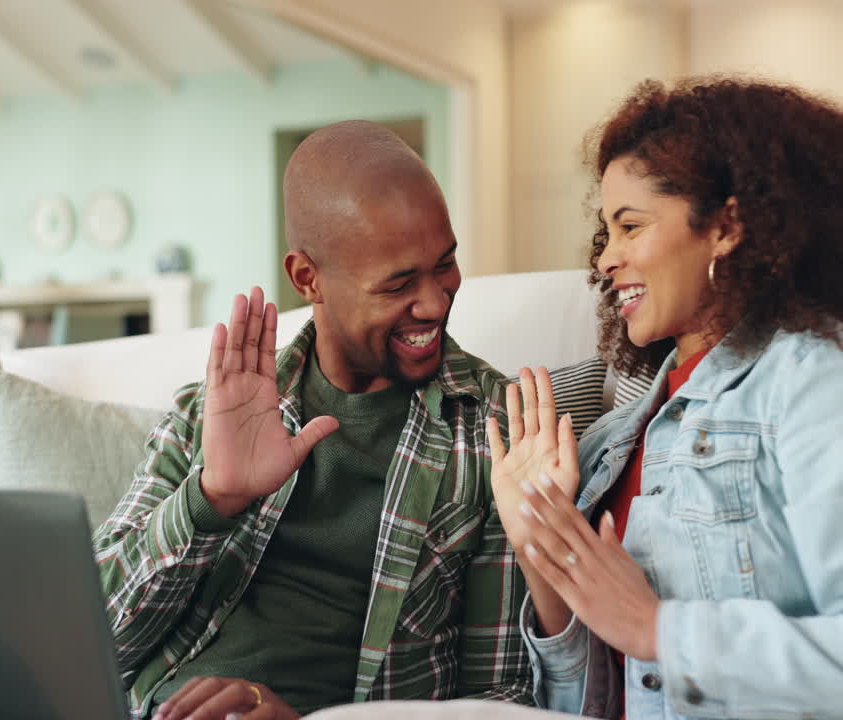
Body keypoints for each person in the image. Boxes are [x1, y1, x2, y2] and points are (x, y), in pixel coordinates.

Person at [488, 78, 843, 719]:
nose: (606, 259)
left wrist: (662, 630)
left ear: (726, 226)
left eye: (630, 226)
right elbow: (586, 703)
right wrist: (541, 543)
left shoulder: (826, 376)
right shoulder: (616, 436)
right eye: (605, 232)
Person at [93, 121, 532, 720]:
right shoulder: (210, 412)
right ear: (307, 278)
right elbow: (97, 641)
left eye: (445, 264)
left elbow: (506, 700)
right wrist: (210, 498)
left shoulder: (495, 434)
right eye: (399, 283)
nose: (434, 302)